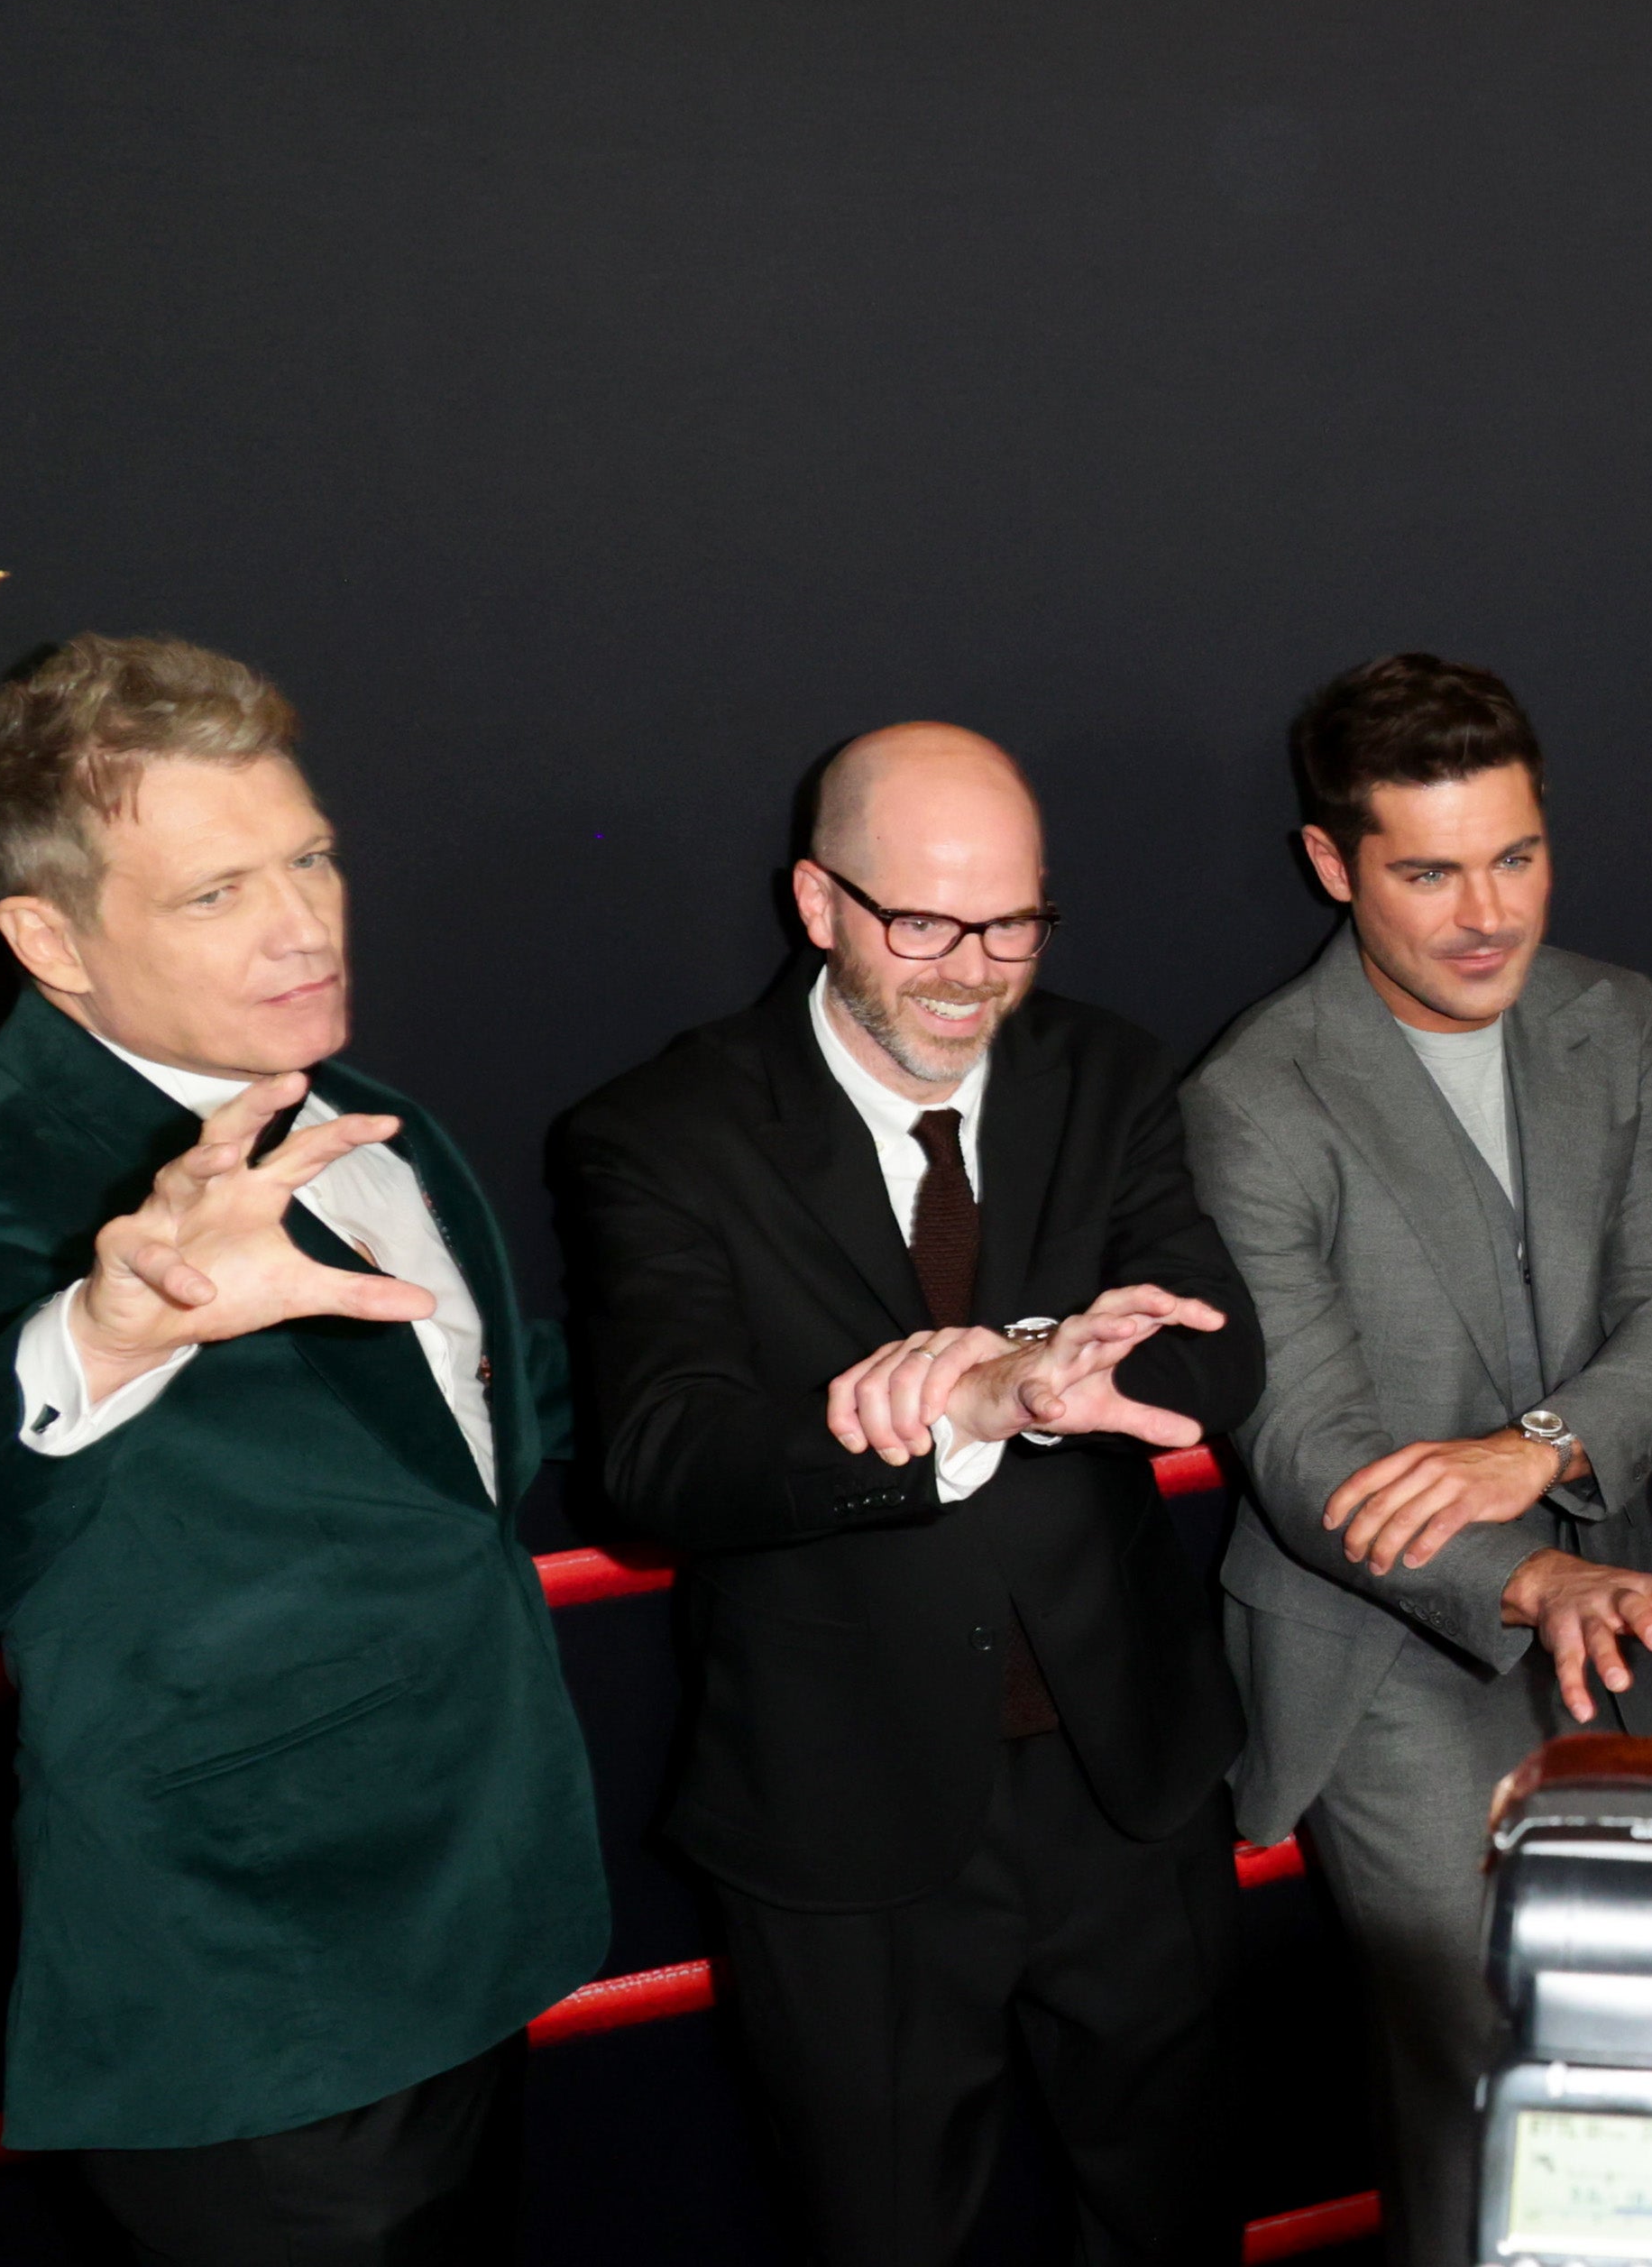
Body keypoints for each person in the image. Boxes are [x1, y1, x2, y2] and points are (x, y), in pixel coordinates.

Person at [0, 636, 608, 2262]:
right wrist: (107, 1334)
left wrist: (883, 1394)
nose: (304, 923)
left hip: (480, 1915)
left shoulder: (364, 1105)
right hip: (257, 2010)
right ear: (49, 937)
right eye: (215, 892)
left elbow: (488, 1433)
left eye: (306, 856)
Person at [556, 726, 1262, 2266]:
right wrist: (943, 1411)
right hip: (842, 1822)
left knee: (1177, 2217)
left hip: (1126, 1789)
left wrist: (1039, 1368)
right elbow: (662, 1457)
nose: (971, 970)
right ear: (817, 902)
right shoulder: (659, 1133)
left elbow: (1215, 1355)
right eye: (921, 922)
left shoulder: (1109, 1071)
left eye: (1012, 923)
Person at [1181, 653, 1652, 2267]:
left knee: (1637, 2069)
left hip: (1603, 1622)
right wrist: (1535, 1562)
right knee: (1488, 2075)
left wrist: (1540, 1452)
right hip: (1376, 1652)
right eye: (1426, 871)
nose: (1484, 912)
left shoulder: (1611, 1016)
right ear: (1329, 865)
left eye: (1515, 856)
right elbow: (1305, 1448)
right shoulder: (1256, 1094)